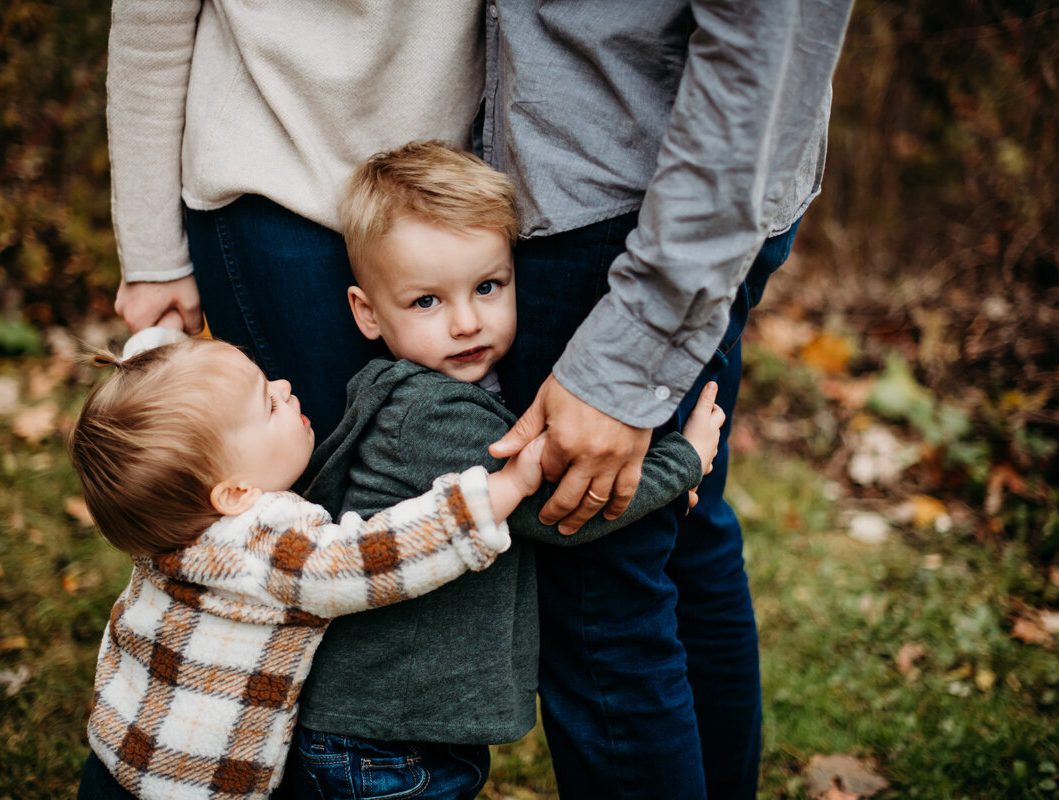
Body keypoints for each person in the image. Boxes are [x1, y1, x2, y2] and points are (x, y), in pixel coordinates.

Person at [479, 2, 854, 798]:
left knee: (597, 594)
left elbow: (764, 40)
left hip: (632, 210)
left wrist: (637, 341)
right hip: (660, 194)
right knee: (678, 540)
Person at [281, 142, 726, 799]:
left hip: (388, 733)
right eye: (427, 302)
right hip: (382, 743)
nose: (466, 322)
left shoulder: (432, 394)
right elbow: (554, 509)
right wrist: (682, 463)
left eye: (488, 287)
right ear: (367, 312)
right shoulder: (430, 416)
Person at [68, 335, 547, 800]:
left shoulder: (167, 528)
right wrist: (501, 492)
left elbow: (163, 403)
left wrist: (156, 347)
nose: (282, 386)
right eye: (268, 405)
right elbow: (376, 559)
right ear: (235, 493)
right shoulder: (263, 547)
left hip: (118, 754)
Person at [105, 0, 488, 443]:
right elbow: (151, 27)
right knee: (318, 483)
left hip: (454, 188)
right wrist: (151, 257)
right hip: (277, 180)